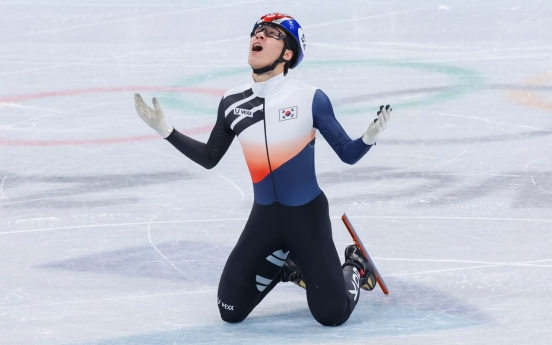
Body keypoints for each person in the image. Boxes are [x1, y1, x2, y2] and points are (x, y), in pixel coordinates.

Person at [134, 13, 391, 326]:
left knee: (331, 315)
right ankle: (287, 264)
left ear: (287, 53)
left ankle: (356, 264)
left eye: (270, 34)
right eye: (257, 32)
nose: (259, 37)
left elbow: (347, 154)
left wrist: (367, 139)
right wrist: (165, 130)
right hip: (265, 218)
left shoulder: (310, 98)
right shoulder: (231, 101)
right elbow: (210, 156)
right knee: (229, 311)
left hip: (306, 217)